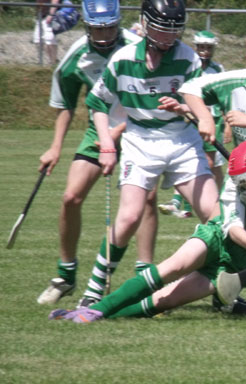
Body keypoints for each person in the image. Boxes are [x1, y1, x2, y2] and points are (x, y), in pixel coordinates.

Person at [49, 140, 246, 323]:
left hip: (241, 264)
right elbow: (233, 226)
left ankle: (95, 317)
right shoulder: (237, 184)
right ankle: (94, 310)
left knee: (165, 300)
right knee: (170, 268)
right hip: (219, 238)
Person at [76, 0, 220, 307]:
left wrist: (185, 110)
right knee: (128, 217)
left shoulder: (189, 58)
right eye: (160, 29)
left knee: (215, 213)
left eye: (174, 31)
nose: (168, 38)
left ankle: (219, 286)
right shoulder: (123, 59)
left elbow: (199, 104)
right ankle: (93, 291)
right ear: (144, 23)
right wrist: (106, 145)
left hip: (182, 139)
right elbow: (98, 103)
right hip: (139, 140)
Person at [36, 0, 159, 306]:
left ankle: (144, 278)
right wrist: (55, 148)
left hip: (140, 128)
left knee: (147, 199)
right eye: (96, 29)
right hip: (97, 131)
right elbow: (66, 104)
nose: (103, 36)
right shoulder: (76, 56)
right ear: (86, 26)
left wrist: (118, 133)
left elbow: (155, 94)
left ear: (119, 23)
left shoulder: (138, 47)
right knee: (70, 198)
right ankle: (66, 275)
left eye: (109, 28)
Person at [179, 28, 246, 314]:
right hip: (240, 180)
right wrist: (199, 116)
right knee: (223, 237)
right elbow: (190, 89)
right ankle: (177, 288)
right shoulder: (233, 81)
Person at [158, 30, 225, 219]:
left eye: (208, 48)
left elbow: (222, 97)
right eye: (201, 47)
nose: (204, 51)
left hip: (211, 121)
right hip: (189, 119)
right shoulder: (186, 65)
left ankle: (209, 202)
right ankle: (181, 203)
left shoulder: (217, 69)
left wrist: (225, 122)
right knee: (195, 161)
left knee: (210, 164)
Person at [33, 0, 60, 65]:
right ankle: (45, 62)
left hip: (49, 16)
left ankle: (53, 63)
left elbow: (55, 0)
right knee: (37, 40)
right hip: (41, 15)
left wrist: (51, 14)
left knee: (49, 40)